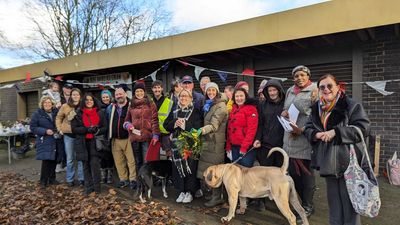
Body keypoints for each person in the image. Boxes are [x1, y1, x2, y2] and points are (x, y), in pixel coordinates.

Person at [304, 74, 370, 225]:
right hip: (328, 163)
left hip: (348, 163)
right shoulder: (316, 109)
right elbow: (307, 128)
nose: (326, 89)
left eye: (329, 86)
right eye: (322, 87)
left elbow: (364, 128)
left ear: (338, 87)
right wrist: (316, 134)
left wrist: (337, 132)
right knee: (334, 205)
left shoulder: (350, 105)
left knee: (350, 206)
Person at [281, 65, 318, 217]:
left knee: (306, 175)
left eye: (302, 75)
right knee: (294, 175)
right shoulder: (290, 90)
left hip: (304, 139)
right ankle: (299, 202)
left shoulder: (315, 91)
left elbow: (317, 117)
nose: (299, 78)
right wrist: (284, 113)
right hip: (289, 138)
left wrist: (301, 130)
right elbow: (286, 108)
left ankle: (308, 206)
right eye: (296, 76)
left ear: (308, 76)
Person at [164, 89, 203, 204]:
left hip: (190, 145)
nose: (183, 98)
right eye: (181, 96)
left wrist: (185, 126)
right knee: (178, 169)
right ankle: (182, 190)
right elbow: (166, 125)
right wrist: (174, 124)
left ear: (191, 98)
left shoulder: (195, 111)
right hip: (176, 146)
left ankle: (190, 192)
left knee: (190, 168)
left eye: (186, 96)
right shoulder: (174, 110)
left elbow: (198, 129)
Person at [253, 79, 286, 211]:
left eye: (274, 90)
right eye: (270, 90)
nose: (272, 93)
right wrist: (257, 139)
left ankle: (281, 200)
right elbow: (260, 124)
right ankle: (260, 200)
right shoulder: (263, 104)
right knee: (263, 174)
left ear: (279, 90)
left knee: (279, 176)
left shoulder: (285, 104)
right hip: (265, 145)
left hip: (281, 146)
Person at [197, 82, 228, 207]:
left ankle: (217, 197)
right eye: (208, 91)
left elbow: (214, 125)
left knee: (215, 171)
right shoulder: (209, 104)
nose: (210, 93)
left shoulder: (221, 107)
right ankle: (211, 194)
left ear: (217, 92)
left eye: (213, 90)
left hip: (215, 144)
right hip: (208, 142)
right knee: (207, 169)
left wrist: (201, 130)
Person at [123, 82, 160, 184]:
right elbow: (126, 120)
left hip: (146, 137)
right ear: (134, 93)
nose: (139, 93)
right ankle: (140, 183)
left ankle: (148, 182)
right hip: (134, 137)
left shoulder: (150, 104)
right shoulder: (131, 105)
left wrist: (156, 134)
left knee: (146, 161)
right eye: (137, 91)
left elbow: (155, 121)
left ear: (144, 92)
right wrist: (128, 125)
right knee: (137, 161)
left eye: (141, 91)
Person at [71, 93, 107, 195]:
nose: (89, 102)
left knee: (95, 165)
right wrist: (87, 129)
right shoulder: (78, 113)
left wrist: (97, 131)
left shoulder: (100, 112)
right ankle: (88, 187)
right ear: (84, 102)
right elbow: (74, 129)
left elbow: (105, 127)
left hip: (95, 142)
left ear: (94, 101)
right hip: (83, 142)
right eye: (87, 100)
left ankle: (97, 188)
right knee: (85, 166)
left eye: (91, 100)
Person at [106, 86, 137, 189]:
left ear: (125, 94)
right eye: (117, 94)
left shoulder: (131, 106)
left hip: (128, 137)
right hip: (115, 139)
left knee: (131, 161)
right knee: (119, 161)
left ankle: (133, 179)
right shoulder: (111, 107)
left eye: (120, 94)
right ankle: (123, 179)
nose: (119, 96)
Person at [30, 96, 62, 188]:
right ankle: (43, 181)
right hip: (45, 140)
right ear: (42, 104)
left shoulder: (56, 112)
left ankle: (52, 179)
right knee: (46, 160)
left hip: (56, 139)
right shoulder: (37, 114)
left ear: (52, 104)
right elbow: (33, 128)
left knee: (54, 159)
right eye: (45, 103)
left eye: (49, 102)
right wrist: (44, 131)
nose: (47, 104)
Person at [56, 88, 84, 187]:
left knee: (80, 158)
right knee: (70, 158)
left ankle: (81, 178)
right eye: (74, 94)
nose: (75, 96)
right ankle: (70, 179)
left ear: (80, 96)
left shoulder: (83, 106)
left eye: (77, 94)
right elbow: (59, 117)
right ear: (71, 96)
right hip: (68, 135)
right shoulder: (65, 106)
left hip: (80, 135)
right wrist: (59, 129)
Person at [226, 87, 258, 167]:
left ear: (245, 97)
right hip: (234, 147)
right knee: (236, 173)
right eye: (237, 96)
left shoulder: (251, 109)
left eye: (241, 96)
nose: (239, 98)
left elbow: (252, 130)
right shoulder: (233, 109)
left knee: (246, 173)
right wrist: (228, 146)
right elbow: (229, 129)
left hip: (246, 148)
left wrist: (244, 147)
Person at [151, 80, 174, 158]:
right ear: (152, 89)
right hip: (154, 133)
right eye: (155, 88)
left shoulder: (169, 102)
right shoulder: (149, 102)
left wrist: (172, 132)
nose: (157, 90)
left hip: (166, 133)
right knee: (154, 156)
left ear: (162, 89)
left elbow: (172, 117)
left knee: (169, 155)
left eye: (158, 87)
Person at [99, 89, 114, 184]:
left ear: (110, 97)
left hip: (110, 134)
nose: (105, 99)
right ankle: (103, 175)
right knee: (102, 156)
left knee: (109, 156)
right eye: (103, 97)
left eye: (107, 97)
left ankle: (109, 176)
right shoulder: (98, 108)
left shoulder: (113, 107)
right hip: (101, 134)